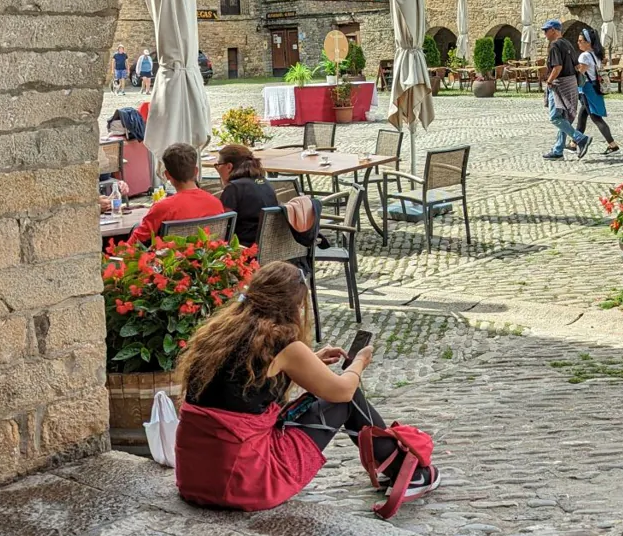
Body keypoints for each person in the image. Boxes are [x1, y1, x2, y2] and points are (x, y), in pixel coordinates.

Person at [175, 260, 439, 511]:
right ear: (294, 305)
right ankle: (408, 471)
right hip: (243, 482)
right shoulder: (283, 344)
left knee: (336, 394)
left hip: (196, 478)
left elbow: (242, 382)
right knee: (348, 398)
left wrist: (312, 361)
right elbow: (342, 390)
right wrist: (359, 362)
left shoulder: (220, 332)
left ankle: (397, 465)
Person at [127, 143, 225, 245]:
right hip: (207, 258)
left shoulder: (163, 208)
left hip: (171, 260)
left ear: (167, 175)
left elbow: (133, 243)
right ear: (196, 171)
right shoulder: (216, 204)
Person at [540, 19, 591, 160]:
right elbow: (577, 66)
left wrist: (549, 81)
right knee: (564, 118)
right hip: (570, 83)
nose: (544, 33)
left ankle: (580, 139)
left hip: (559, 84)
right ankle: (558, 150)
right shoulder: (568, 43)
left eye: (546, 30)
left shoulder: (555, 45)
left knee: (555, 117)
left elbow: (557, 67)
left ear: (554, 30)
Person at [214, 144, 280, 247]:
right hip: (268, 247)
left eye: (218, 165)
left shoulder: (233, 188)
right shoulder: (265, 182)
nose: (217, 169)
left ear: (229, 166)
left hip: (243, 251)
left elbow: (223, 228)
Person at [575, 29, 620, 154]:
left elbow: (581, 74)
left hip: (587, 88)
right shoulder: (595, 54)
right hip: (595, 86)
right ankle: (573, 143)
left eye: (580, 41)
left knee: (596, 118)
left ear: (588, 42)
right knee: (582, 116)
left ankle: (612, 144)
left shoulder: (584, 56)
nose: (578, 43)